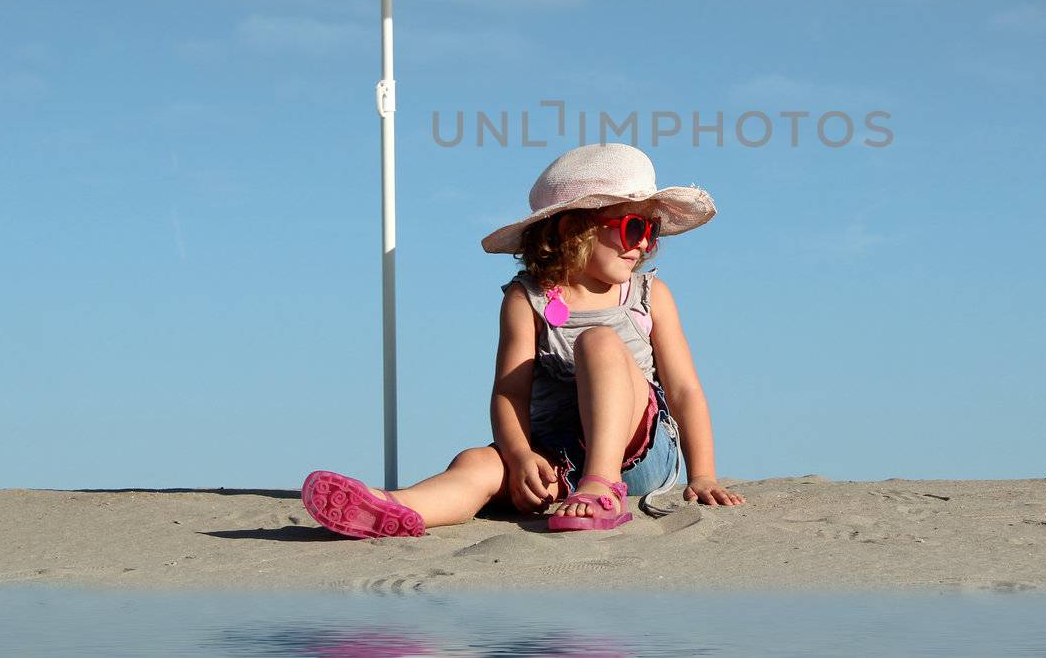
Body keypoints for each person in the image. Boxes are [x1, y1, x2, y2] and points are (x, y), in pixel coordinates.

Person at [300, 142, 747, 536]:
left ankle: (601, 485)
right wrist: (517, 457)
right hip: (559, 454)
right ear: (574, 230)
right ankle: (390, 507)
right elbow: (510, 392)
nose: (643, 245)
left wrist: (703, 473)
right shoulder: (527, 298)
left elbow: (684, 389)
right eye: (634, 227)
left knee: (598, 342)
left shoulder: (649, 295)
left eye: (650, 233)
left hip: (639, 452)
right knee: (476, 462)